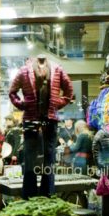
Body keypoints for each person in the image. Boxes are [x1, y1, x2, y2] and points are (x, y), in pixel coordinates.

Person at [9, 54, 73, 198]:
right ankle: (29, 195)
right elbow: (12, 92)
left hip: (50, 119)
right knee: (29, 157)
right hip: (31, 119)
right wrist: (23, 105)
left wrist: (57, 104)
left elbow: (69, 91)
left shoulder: (57, 69)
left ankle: (47, 194)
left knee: (49, 157)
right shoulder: (24, 70)